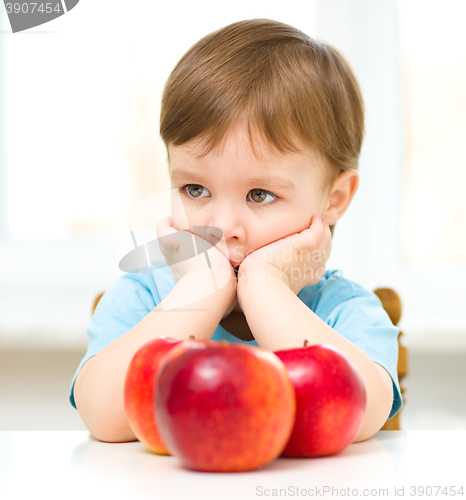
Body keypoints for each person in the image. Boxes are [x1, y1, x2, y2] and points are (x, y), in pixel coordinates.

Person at [70, 18, 402, 444]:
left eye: (260, 194)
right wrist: (201, 291)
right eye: (195, 189)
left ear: (334, 198)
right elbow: (102, 416)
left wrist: (266, 288)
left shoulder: (345, 311)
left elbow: (355, 414)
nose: (222, 227)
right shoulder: (146, 297)